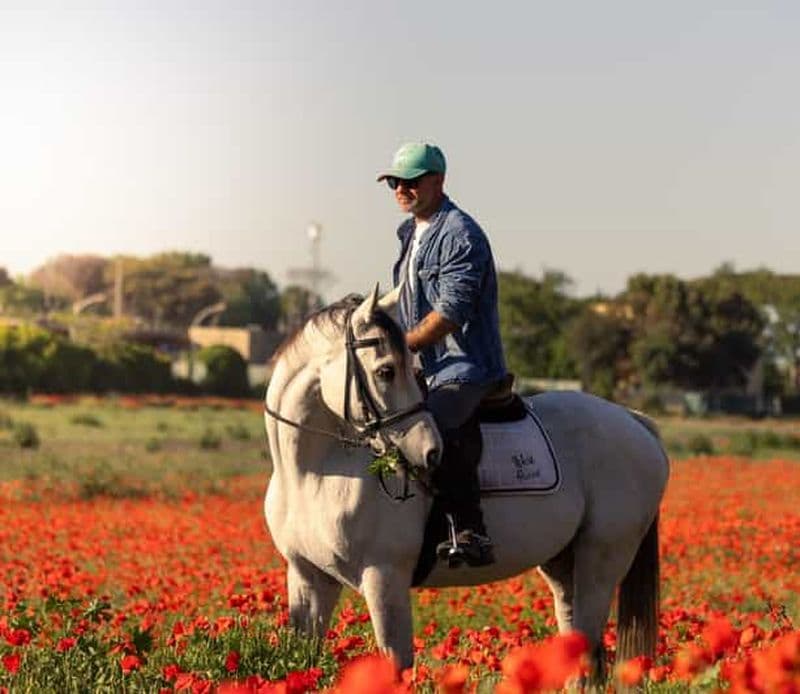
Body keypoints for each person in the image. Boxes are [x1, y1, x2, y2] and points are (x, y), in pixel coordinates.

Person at [377, 142, 508, 567]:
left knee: (432, 426)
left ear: (438, 181)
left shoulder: (460, 234)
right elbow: (406, 296)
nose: (401, 189)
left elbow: (452, 310)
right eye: (395, 182)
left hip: (465, 368)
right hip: (426, 367)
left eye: (411, 182)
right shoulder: (411, 233)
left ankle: (469, 529)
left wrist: (402, 346)